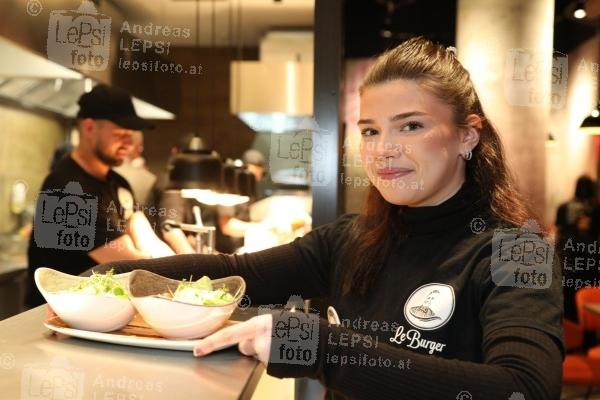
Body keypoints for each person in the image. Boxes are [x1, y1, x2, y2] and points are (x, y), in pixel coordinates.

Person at [76, 38, 563, 399]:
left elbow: (524, 388)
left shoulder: (516, 253)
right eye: (371, 130)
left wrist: (321, 347)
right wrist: (104, 280)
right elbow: (237, 273)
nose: (384, 149)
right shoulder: (352, 239)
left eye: (411, 125)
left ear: (466, 136)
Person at [26, 84, 174, 307]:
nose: (128, 143)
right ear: (88, 128)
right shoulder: (66, 189)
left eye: (130, 135)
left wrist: (183, 266)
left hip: (100, 312)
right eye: (119, 134)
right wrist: (180, 275)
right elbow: (128, 263)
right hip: (58, 315)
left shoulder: (117, 183)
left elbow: (148, 240)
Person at [555, 175, 599, 322]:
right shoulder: (596, 210)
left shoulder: (563, 207)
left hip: (568, 257)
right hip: (591, 260)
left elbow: (558, 233)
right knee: (589, 297)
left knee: (568, 296)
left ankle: (571, 333)